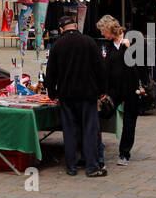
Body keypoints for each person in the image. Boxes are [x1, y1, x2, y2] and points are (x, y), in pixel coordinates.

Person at [43, 10, 106, 177]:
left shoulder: (58, 45)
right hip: (87, 94)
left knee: (70, 131)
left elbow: (50, 73)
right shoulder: (89, 42)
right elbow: (100, 68)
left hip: (67, 95)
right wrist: (102, 90)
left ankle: (71, 166)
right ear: (76, 26)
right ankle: (92, 167)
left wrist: (52, 93)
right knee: (89, 130)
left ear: (62, 29)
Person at [98, 15, 144, 167]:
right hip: (114, 89)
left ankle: (124, 153)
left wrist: (131, 48)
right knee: (101, 113)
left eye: (103, 31)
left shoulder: (132, 38)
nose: (102, 34)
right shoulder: (110, 45)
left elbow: (143, 62)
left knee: (129, 122)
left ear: (110, 29)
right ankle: (96, 147)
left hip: (132, 89)